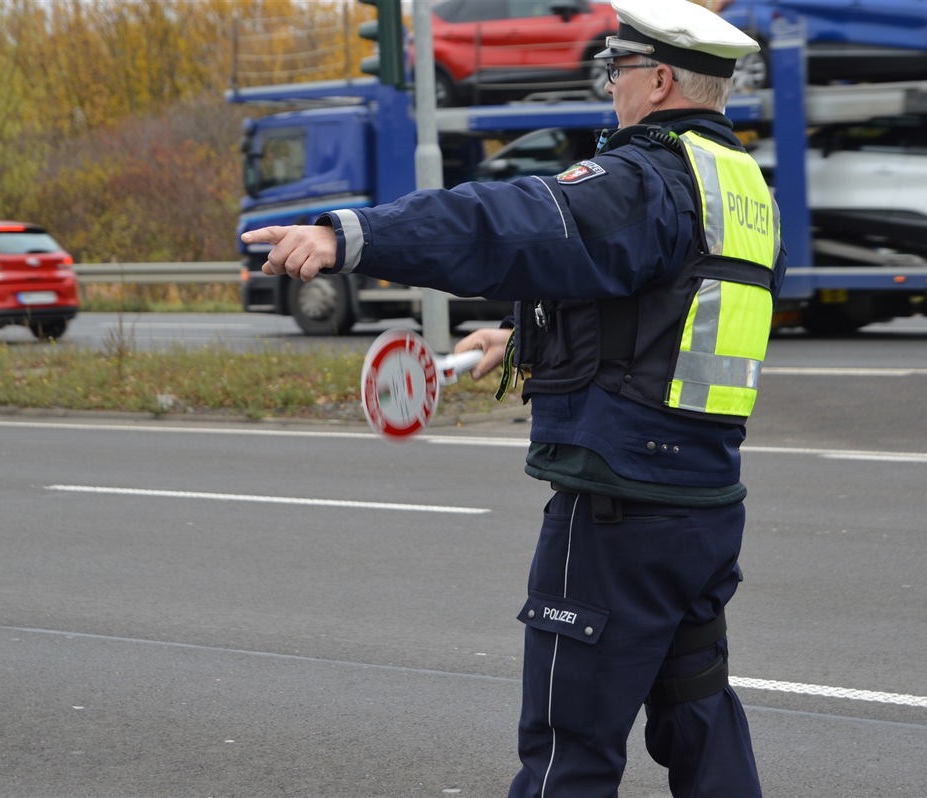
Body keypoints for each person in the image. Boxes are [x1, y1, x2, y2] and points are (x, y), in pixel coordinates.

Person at [242, 0, 785, 794]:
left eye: (617, 72)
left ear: (661, 78)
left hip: (617, 506)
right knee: (698, 713)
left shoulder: (643, 175)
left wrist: (349, 237)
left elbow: (507, 223)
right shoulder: (742, 188)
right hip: (704, 501)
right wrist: (520, 342)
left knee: (570, 749)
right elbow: (666, 314)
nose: (611, 91)